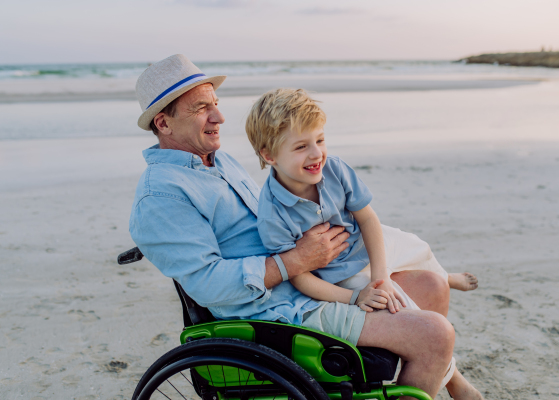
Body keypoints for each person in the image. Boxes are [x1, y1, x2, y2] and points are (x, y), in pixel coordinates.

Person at [129, 54, 483, 399]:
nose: (219, 116)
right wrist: (296, 261)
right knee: (435, 335)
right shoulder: (161, 196)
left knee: (432, 286)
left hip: (313, 282)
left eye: (215, 103)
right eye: (201, 108)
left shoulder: (218, 161)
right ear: (163, 123)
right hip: (279, 313)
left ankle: (444, 379)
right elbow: (210, 285)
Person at [247, 89, 477, 318]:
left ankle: (445, 276)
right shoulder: (272, 214)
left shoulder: (335, 169)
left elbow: (367, 219)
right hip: (342, 272)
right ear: (269, 156)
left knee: (418, 247)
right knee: (397, 304)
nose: (317, 153)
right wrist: (357, 296)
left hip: (366, 242)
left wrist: (381, 275)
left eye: (320, 140)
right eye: (301, 147)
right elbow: (299, 277)